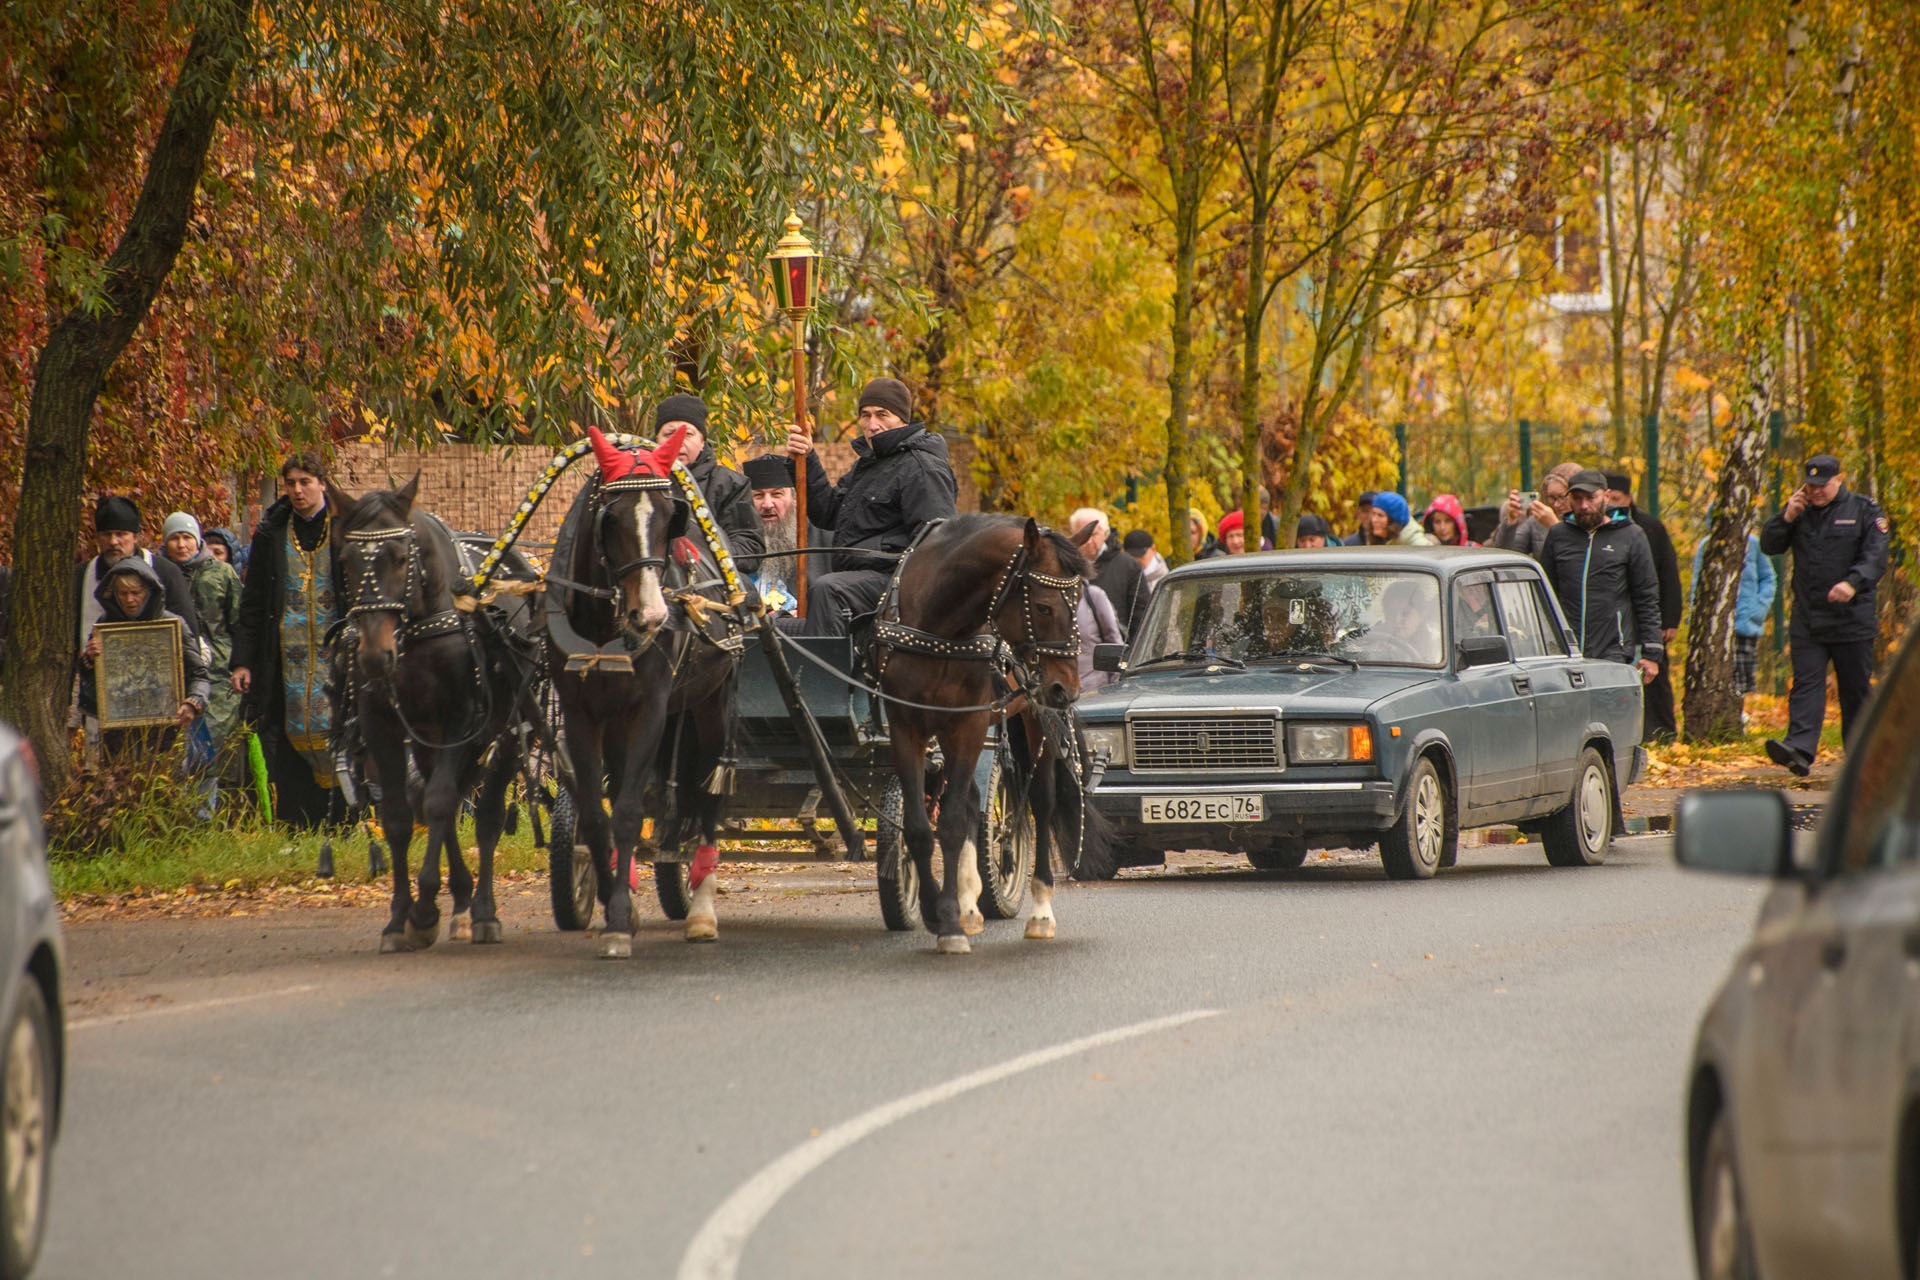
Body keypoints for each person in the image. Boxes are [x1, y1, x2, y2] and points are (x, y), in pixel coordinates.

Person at [786, 378, 957, 635]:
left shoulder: (922, 468)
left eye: (882, 415)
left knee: (828, 590)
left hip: (900, 583)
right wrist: (807, 459)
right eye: (865, 416)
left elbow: (936, 547)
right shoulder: (870, 464)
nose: (872, 425)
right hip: (858, 577)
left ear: (903, 420)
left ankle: (825, 675)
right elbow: (829, 513)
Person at [230, 451, 343, 826]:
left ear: (322, 483)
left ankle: (345, 822)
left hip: (336, 657)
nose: (297, 490)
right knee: (288, 737)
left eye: (305, 482)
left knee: (340, 733)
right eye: (290, 483)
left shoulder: (344, 527)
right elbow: (254, 599)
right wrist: (243, 660)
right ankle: (298, 825)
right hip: (284, 661)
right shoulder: (272, 531)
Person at [1759, 453, 1889, 776]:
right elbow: (1769, 544)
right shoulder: (1800, 513)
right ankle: (1799, 750)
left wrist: (1852, 583)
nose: (1816, 492)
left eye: (1823, 485)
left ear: (1839, 480)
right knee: (1805, 684)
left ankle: (1863, 755)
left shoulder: (1864, 510)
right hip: (1809, 619)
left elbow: (1875, 556)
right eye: (1811, 485)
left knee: (1855, 690)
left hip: (1851, 620)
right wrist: (1786, 516)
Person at [78, 557, 210, 762]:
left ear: (148, 591)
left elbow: (200, 674)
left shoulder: (172, 625)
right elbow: (90, 684)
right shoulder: (105, 625)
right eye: (123, 594)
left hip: (165, 736)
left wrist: (193, 702)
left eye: (135, 593)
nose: (129, 599)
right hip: (117, 739)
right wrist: (89, 658)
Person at [1537, 470, 1662, 682]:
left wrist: (1652, 653)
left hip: (1613, 651)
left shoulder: (1631, 536)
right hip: (1564, 653)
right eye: (1577, 499)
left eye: (1590, 498)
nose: (1584, 506)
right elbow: (1543, 594)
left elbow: (1646, 596)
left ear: (1606, 496)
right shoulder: (1558, 535)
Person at [161, 512, 244, 768]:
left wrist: (240, 664)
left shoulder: (222, 573)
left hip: (218, 675)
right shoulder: (157, 572)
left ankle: (218, 803)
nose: (182, 544)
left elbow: (239, 622)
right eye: (175, 538)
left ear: (198, 541)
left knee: (215, 750)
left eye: (187, 537)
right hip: (171, 674)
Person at [1606, 471, 1682, 741]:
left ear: (1629, 498)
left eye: (1616, 498)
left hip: (1650, 613)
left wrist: (1670, 619)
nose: (1611, 504)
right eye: (1607, 498)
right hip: (1619, 614)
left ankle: (1661, 731)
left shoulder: (1650, 528)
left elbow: (1668, 574)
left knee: (1655, 673)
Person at [656, 394, 762, 572]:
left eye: (687, 434)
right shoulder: (639, 484)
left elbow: (749, 549)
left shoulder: (731, 485)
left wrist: (699, 556)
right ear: (656, 441)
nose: (677, 442)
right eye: (668, 434)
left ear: (702, 441)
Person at [1689, 525, 1777, 725]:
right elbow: (1698, 582)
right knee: (1712, 673)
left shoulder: (1754, 544)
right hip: (1713, 624)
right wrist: (1697, 617)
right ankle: (1715, 718)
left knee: (1741, 675)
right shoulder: (1707, 544)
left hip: (1745, 622)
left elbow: (1769, 578)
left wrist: (1758, 608)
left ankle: (1738, 716)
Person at [1071, 508, 1149, 639]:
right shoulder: (1066, 567)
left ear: (1105, 534)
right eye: (1082, 536)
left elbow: (1141, 616)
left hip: (1117, 649)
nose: (1088, 541)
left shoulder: (1128, 566)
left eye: (1093, 534)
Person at [1491, 468, 1574, 558]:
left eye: (1562, 497)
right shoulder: (1537, 521)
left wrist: (1553, 526)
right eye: (1551, 498)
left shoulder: (1583, 519)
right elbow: (1506, 553)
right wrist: (1511, 520)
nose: (1556, 504)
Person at [1076, 565, 1125, 692]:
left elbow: (1114, 640)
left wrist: (1116, 685)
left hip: (1096, 690)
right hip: (1060, 694)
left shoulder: (1094, 595)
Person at [1368, 493, 1434, 546]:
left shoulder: (1417, 545)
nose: (1374, 520)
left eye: (1380, 515)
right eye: (1373, 514)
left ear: (1393, 522)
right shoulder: (1379, 540)